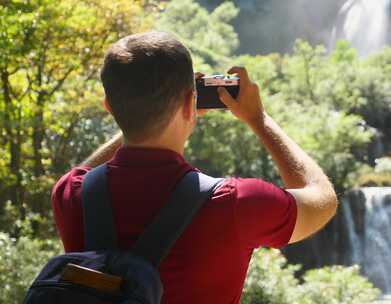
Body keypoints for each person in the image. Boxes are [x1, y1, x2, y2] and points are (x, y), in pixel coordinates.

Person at [51, 31, 337, 304]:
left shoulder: (72, 195)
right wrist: (259, 119)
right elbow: (322, 200)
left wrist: (145, 112)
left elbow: (81, 173)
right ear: (191, 104)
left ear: (109, 106)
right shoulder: (237, 203)